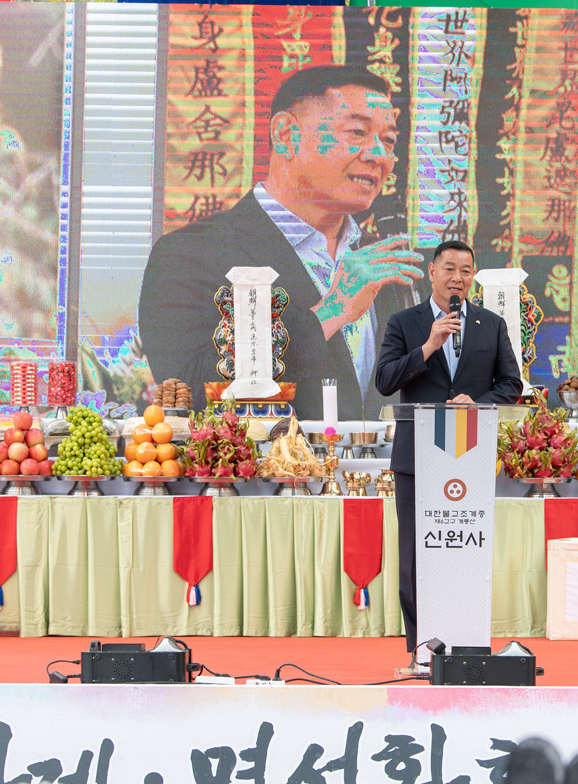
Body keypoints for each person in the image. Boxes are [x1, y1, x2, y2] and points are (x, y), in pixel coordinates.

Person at [139, 65, 424, 419]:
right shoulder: (189, 254)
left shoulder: (383, 261)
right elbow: (191, 395)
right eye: (357, 132)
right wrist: (331, 311)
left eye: (389, 140)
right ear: (286, 135)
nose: (378, 155)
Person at [374, 240, 523, 659]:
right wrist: (428, 347)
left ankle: (467, 641)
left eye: (466, 270)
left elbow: (511, 383)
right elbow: (384, 381)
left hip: (468, 456)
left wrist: (478, 402)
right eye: (450, 269)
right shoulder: (404, 322)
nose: (458, 278)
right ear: (432, 272)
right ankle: (422, 648)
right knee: (415, 555)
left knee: (464, 548)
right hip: (417, 458)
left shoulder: (490, 324)